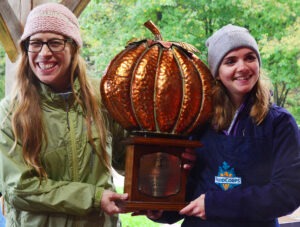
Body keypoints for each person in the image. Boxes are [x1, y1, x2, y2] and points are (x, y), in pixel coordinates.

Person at [146, 24, 300, 227]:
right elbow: (191, 188)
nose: (243, 67)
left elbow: (288, 193)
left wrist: (215, 204)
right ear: (216, 72)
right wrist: (163, 209)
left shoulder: (279, 123)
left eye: (250, 57)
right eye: (230, 61)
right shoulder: (197, 120)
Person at [0, 3, 129, 226]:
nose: (44, 53)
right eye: (36, 43)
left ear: (74, 47)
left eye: (55, 43)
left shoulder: (103, 101)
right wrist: (95, 198)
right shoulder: (10, 113)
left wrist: (162, 162)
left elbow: (126, 158)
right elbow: (19, 188)